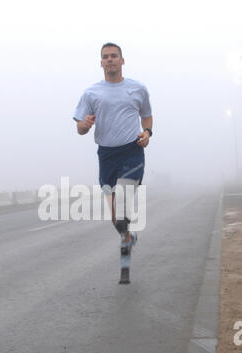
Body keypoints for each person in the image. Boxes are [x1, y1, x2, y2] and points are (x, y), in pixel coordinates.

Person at [73, 42, 153, 283]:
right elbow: (80, 127)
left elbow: (146, 116)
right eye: (105, 57)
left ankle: (126, 238)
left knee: (121, 212)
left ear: (122, 60)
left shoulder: (138, 89)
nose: (110, 60)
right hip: (106, 155)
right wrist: (84, 126)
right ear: (101, 63)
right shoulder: (91, 93)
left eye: (114, 56)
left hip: (132, 152)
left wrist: (147, 133)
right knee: (116, 220)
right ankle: (129, 237)